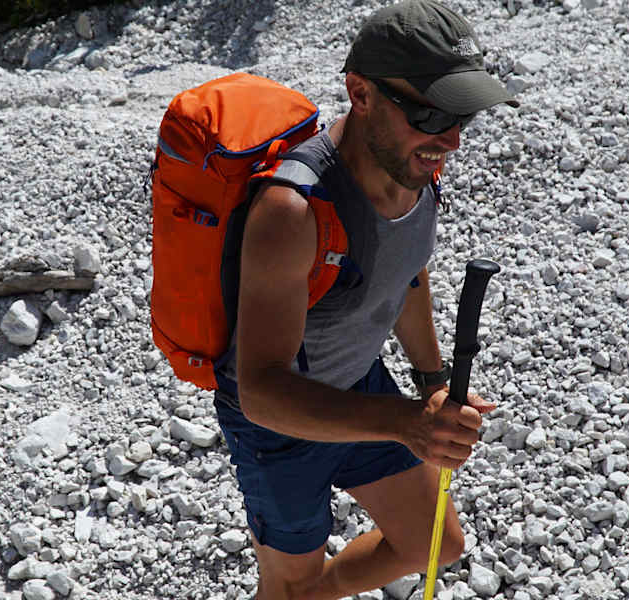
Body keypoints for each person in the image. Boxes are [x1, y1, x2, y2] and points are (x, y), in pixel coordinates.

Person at [213, 2, 517, 598]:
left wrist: (430, 381)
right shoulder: (291, 213)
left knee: (436, 545)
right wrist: (408, 424)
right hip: (281, 426)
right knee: (289, 580)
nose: (449, 140)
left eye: (461, 117)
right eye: (429, 113)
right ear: (362, 93)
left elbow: (405, 274)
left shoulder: (412, 167)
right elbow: (261, 392)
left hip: (361, 386)